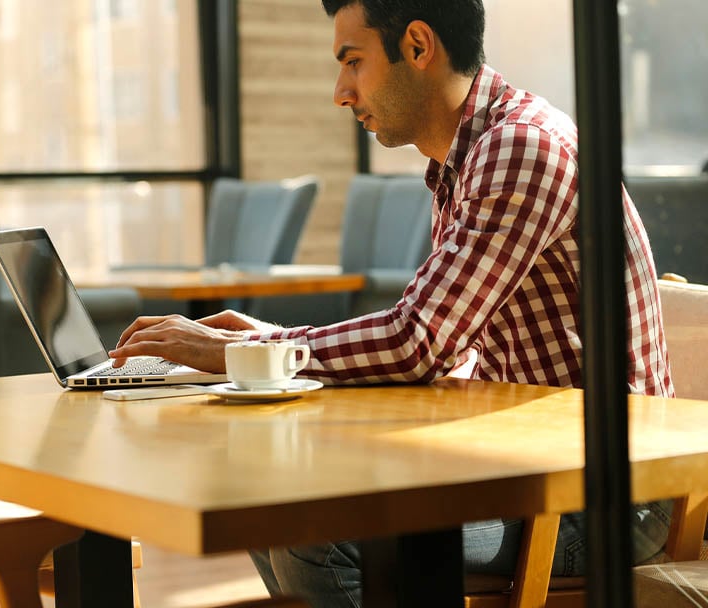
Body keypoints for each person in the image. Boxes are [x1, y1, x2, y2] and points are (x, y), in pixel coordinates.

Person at [109, 0, 674, 605]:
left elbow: (417, 340)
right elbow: (445, 343)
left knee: (317, 538)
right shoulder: (466, 160)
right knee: (270, 500)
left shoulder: (519, 149)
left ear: (418, 46)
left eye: (353, 62)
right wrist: (267, 343)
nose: (340, 92)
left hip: (611, 493)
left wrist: (247, 352)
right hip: (531, 462)